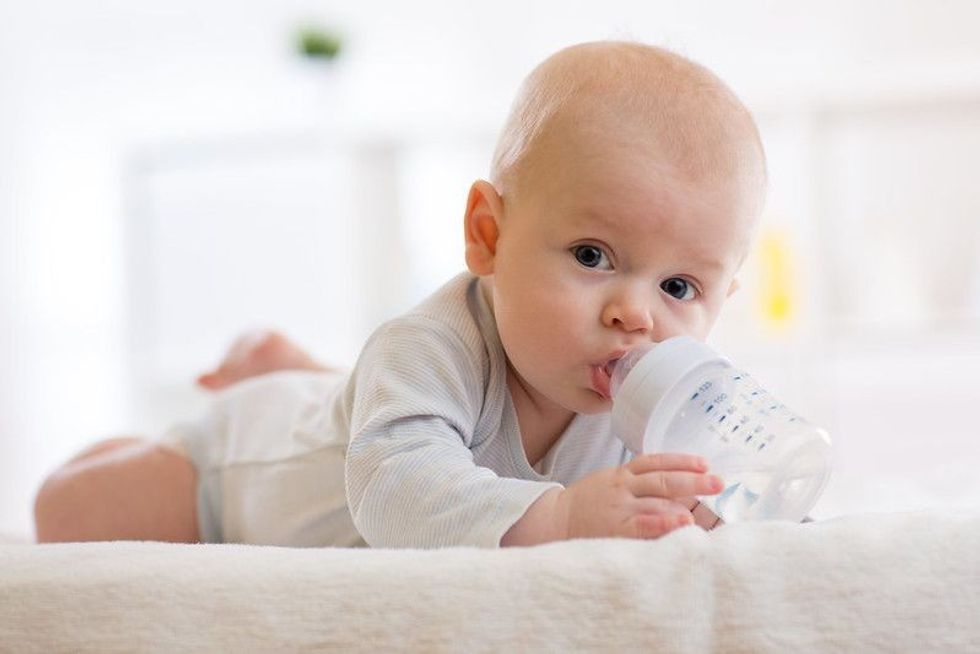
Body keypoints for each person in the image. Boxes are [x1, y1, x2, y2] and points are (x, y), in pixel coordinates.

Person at [33, 40, 767, 548]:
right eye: (592, 255)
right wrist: (565, 516)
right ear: (488, 235)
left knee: (368, 403)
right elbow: (396, 492)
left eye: (679, 286)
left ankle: (307, 376)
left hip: (354, 412)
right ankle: (259, 399)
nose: (636, 315)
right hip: (239, 474)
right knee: (66, 511)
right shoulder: (429, 346)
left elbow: (732, 500)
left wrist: (723, 503)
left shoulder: (653, 400)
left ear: (721, 298)